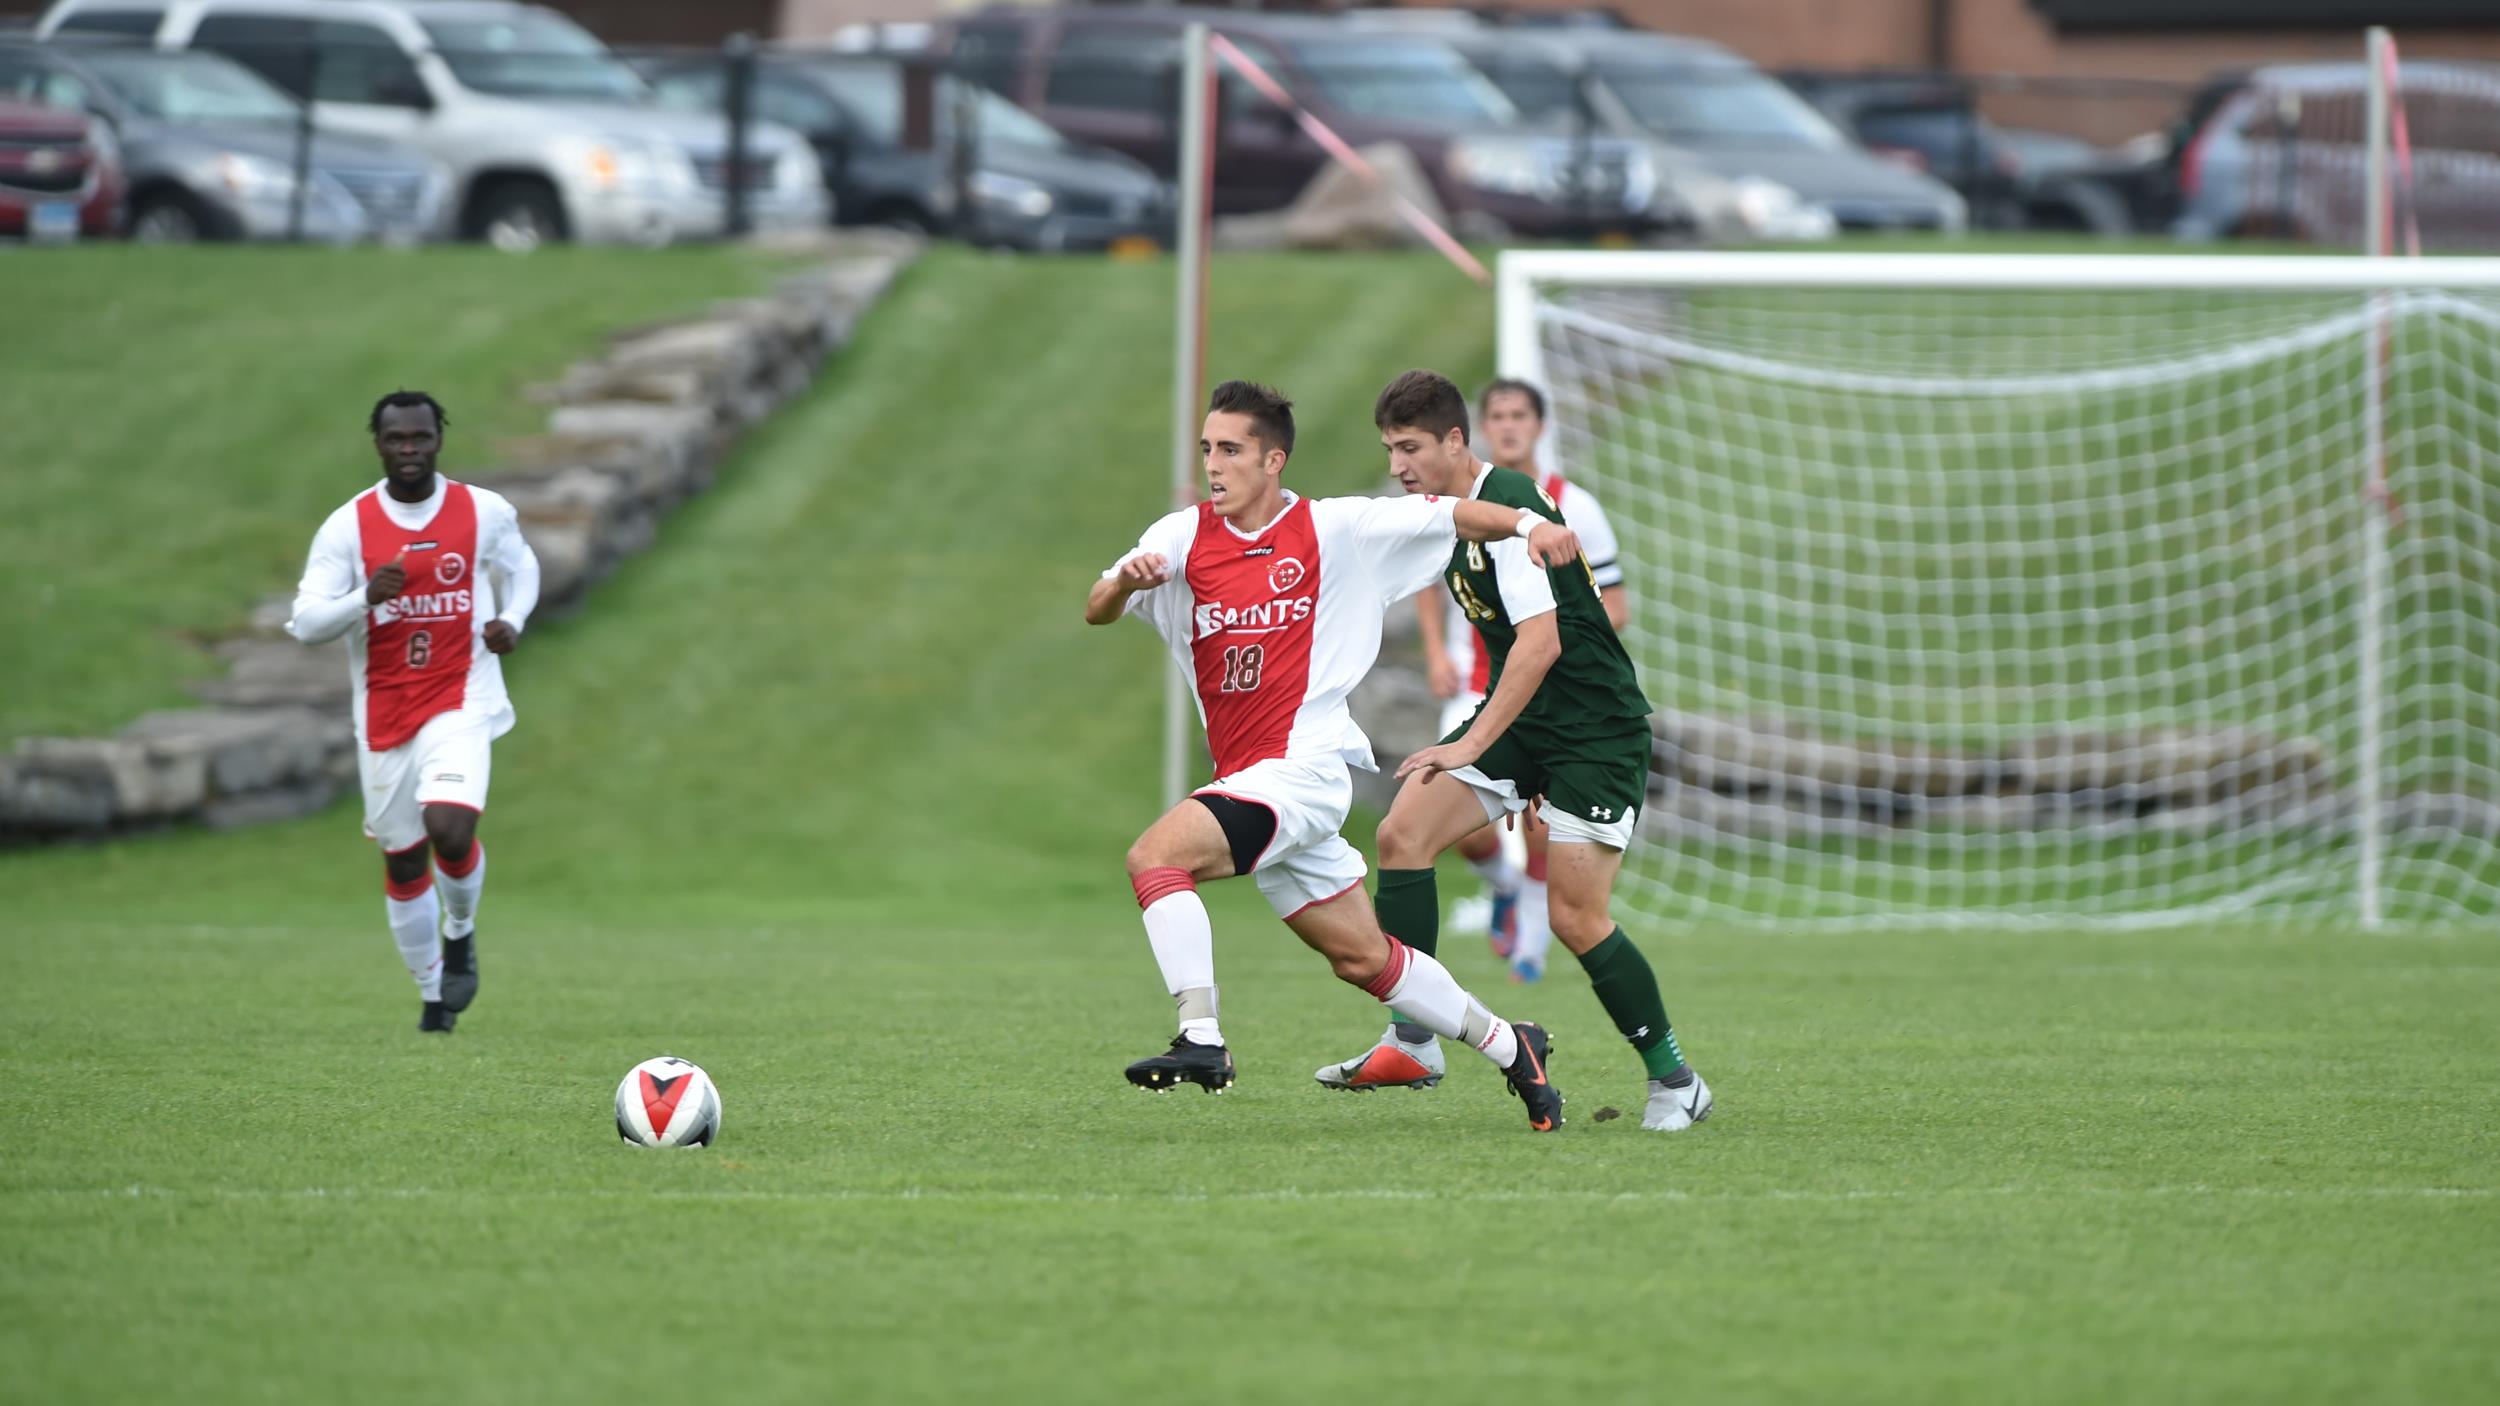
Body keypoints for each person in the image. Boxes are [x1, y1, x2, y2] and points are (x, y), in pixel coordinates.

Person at [1087, 380, 1576, 1130]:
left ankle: (1202, 1036)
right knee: (1365, 960)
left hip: (1305, 771)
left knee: (1156, 858)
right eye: (1208, 449)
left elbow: (1449, 514)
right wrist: (1126, 580)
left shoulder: (1337, 528)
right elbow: (1098, 606)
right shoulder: (1181, 537)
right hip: (1250, 779)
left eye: (1232, 450)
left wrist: (1527, 524)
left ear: (1273, 459)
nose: (1214, 464)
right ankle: (1515, 1048)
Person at [1317, 370, 1711, 1133]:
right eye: (1390, 449)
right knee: (1402, 835)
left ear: (1454, 441)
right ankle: (1413, 1040)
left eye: (1411, 448)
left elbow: (1540, 644)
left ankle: (1676, 1080)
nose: (1398, 465)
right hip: (1527, 723)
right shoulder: (1444, 516)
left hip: (1594, 731)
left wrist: (1469, 742)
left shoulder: (1513, 505)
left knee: (1575, 917)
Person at [287, 392, 540, 1034]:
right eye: (396, 439)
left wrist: (512, 618)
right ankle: (433, 998)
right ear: (378, 444)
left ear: (438, 440)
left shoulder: (483, 510)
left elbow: (522, 566)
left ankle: (461, 930)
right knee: (403, 860)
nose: (409, 449)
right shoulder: (348, 526)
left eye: (420, 437)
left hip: (461, 696)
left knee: (449, 828)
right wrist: (363, 598)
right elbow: (306, 624)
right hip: (384, 711)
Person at [1418, 378, 1631, 982]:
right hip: (1474, 685)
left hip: (1545, 693)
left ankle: (1531, 947)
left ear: (1540, 426)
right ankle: (1503, 886)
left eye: (1520, 415)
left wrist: (1554, 639)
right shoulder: (1454, 504)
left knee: (1541, 827)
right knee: (1455, 827)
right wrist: (1435, 653)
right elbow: (1425, 580)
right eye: (1499, 415)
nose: (1509, 426)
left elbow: (1614, 605)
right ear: (1481, 428)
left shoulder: (1572, 506)